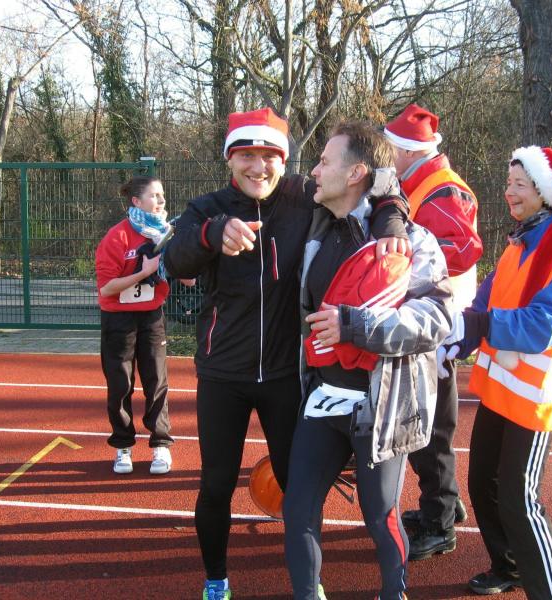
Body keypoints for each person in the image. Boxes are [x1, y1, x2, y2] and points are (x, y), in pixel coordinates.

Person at [163, 108, 409, 600]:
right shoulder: (207, 207)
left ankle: (308, 580)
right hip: (222, 373)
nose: (259, 167)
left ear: (283, 160)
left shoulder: (303, 196)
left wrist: (390, 218)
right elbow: (173, 259)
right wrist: (212, 234)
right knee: (215, 486)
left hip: (285, 375)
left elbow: (378, 181)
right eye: (246, 156)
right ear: (230, 160)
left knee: (296, 489)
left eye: (269, 156)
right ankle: (216, 580)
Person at [283, 121, 453, 600]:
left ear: (357, 172)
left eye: (325, 162)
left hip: (382, 405)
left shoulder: (411, 240)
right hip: (323, 396)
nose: (315, 171)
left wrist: (357, 326)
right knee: (297, 510)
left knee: (380, 518)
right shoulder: (315, 228)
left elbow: (438, 318)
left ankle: (393, 593)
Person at [445, 146, 552, 598]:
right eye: (508, 183)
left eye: (520, 185)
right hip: (499, 393)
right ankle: (508, 566)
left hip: (534, 402)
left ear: (546, 194)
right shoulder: (518, 245)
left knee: (520, 501)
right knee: (482, 484)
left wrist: (480, 327)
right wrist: (453, 341)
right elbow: (483, 305)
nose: (509, 192)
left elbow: (542, 327)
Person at [383, 104, 483, 559]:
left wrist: (403, 260)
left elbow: (461, 249)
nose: (388, 155)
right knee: (428, 423)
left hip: (437, 324)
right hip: (430, 318)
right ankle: (444, 505)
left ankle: (439, 522)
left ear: (407, 150)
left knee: (430, 428)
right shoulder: (423, 183)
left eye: (391, 147)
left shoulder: (442, 188)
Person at [94, 175, 175, 475]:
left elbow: (188, 276)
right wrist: (143, 273)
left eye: (162, 195)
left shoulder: (165, 234)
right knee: (120, 384)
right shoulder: (116, 237)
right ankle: (123, 446)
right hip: (119, 319)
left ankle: (161, 445)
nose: (161, 201)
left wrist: (183, 264)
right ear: (136, 202)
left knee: (157, 381)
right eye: (154, 195)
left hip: (152, 316)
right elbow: (106, 288)